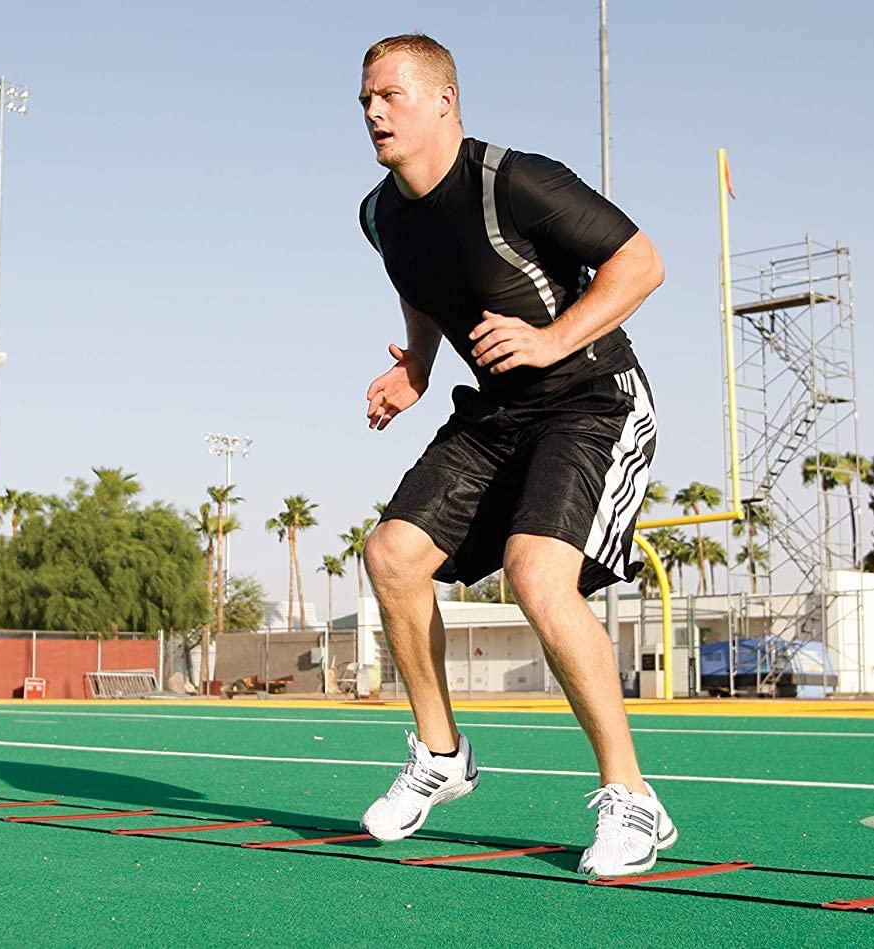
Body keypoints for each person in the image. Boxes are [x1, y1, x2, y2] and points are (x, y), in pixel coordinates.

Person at [354, 34, 673, 876]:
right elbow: (419, 286)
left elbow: (641, 264)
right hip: (498, 413)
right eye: (365, 101)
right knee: (391, 554)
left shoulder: (515, 180)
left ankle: (633, 799)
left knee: (537, 572)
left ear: (443, 101)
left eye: (389, 95)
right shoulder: (380, 212)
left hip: (593, 401)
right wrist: (417, 365)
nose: (374, 112)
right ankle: (441, 753)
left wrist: (549, 339)